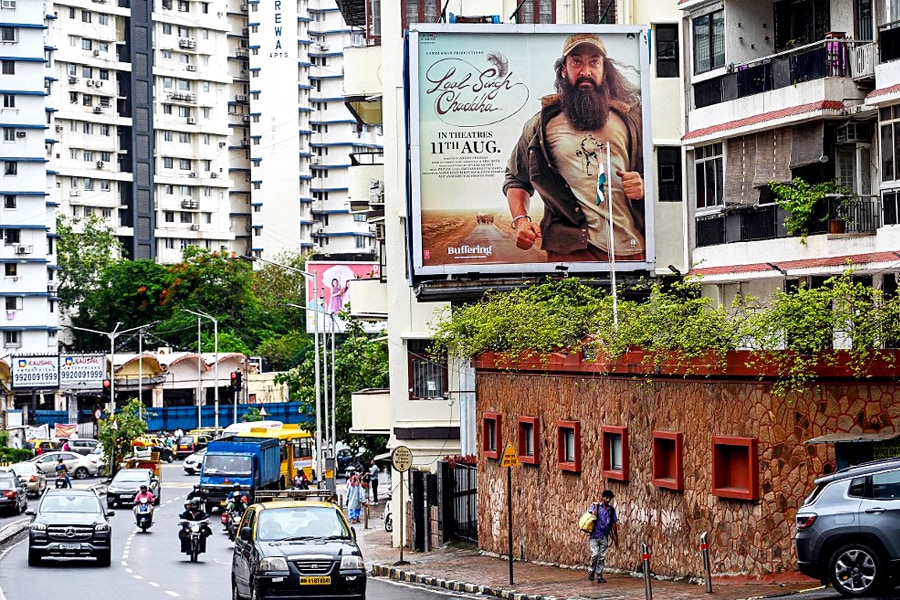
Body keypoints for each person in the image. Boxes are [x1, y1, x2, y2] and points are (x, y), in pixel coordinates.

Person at [505, 33, 645, 263]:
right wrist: (521, 221)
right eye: (576, 62)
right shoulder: (540, 126)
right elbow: (516, 179)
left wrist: (644, 187)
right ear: (563, 70)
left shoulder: (632, 121)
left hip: (629, 250)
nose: (585, 72)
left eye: (594, 62)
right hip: (569, 252)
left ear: (604, 70)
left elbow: (667, 177)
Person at [587, 489, 619, 583]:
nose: (608, 500)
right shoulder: (595, 506)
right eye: (606, 497)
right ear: (603, 497)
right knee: (595, 554)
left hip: (604, 536)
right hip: (594, 535)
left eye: (610, 498)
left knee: (602, 557)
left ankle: (599, 576)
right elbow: (594, 516)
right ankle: (591, 571)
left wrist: (616, 537)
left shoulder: (611, 510)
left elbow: (613, 523)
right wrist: (596, 507)